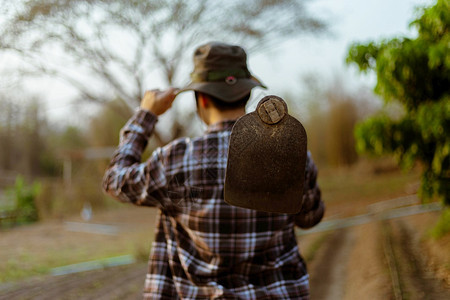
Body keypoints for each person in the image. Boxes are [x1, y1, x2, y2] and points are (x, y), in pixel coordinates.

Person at [103, 42, 324, 299]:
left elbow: (114, 181)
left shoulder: (174, 160)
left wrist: (146, 114)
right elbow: (310, 217)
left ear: (203, 98)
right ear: (247, 94)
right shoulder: (290, 154)